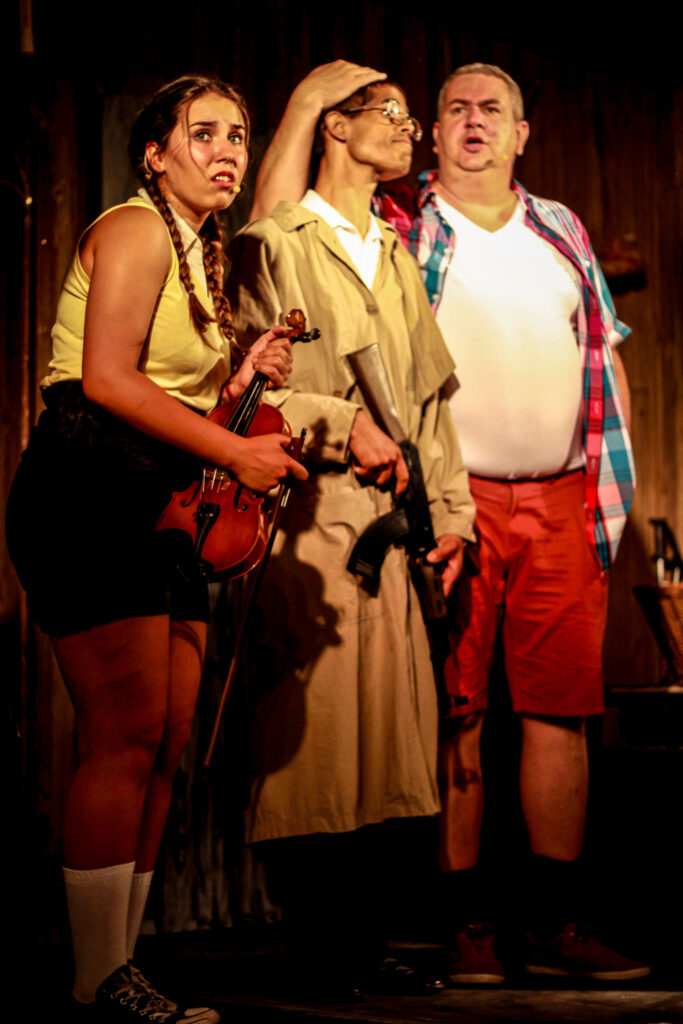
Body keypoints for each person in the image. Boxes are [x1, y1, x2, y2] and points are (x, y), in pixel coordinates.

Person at [248, 60, 648, 984]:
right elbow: (275, 229)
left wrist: (614, 489)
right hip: (450, 496)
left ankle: (553, 924)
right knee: (455, 711)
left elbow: (602, 351)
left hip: (562, 495)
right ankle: (465, 928)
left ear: (521, 133)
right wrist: (305, 105)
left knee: (560, 711)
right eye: (455, 108)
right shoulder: (402, 220)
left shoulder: (560, 229)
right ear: (432, 132)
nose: (473, 121)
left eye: (492, 109)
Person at [6, 73, 307, 1021]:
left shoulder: (201, 258)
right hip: (89, 487)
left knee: (167, 740)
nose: (226, 151)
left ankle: (118, 968)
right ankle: (97, 979)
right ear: (155, 152)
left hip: (160, 496)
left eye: (238, 136)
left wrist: (240, 385)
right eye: (202, 133)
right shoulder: (137, 228)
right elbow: (105, 380)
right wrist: (237, 452)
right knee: (124, 734)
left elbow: (171, 403)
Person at [227, 73, 475, 996]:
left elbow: (428, 404)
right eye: (392, 114)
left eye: (412, 118)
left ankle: (365, 947)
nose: (409, 130)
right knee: (318, 741)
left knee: (388, 734)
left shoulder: (394, 253)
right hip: (308, 512)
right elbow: (247, 388)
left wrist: (453, 513)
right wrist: (341, 423)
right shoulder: (277, 242)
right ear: (336, 125)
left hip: (393, 520)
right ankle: (316, 949)